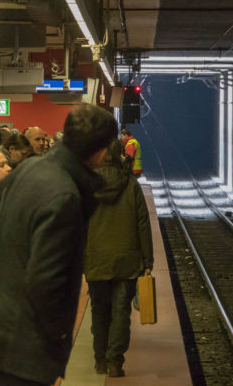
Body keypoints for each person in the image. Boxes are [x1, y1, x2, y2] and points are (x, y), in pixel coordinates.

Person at [0, 104, 117, 386]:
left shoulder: (29, 169)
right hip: (22, 345)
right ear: (100, 151)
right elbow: (45, 281)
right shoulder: (64, 196)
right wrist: (54, 342)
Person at [84, 139, 153, 377]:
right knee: (121, 311)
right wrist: (148, 261)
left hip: (95, 258)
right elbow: (142, 223)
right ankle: (115, 362)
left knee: (99, 309)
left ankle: (100, 360)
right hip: (127, 257)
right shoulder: (130, 185)